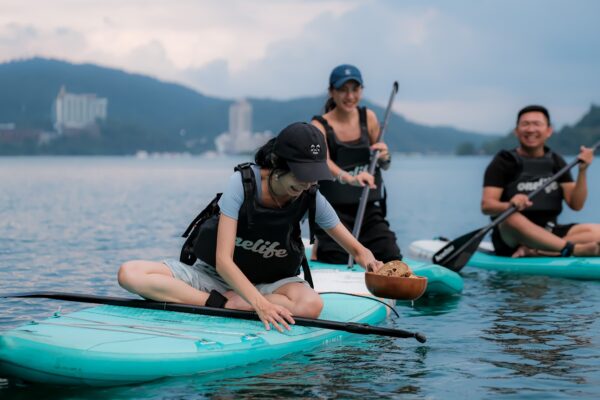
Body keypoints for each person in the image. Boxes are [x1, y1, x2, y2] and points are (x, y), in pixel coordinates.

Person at [118, 122, 384, 333]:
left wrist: (372, 264)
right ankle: (223, 303)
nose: (306, 185)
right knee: (130, 274)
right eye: (302, 176)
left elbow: (357, 250)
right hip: (217, 279)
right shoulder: (243, 184)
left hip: (271, 284)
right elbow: (223, 261)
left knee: (312, 304)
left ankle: (233, 301)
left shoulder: (310, 194)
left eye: (313, 178)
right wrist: (253, 305)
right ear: (280, 164)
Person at [310, 64, 402, 264]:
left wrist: (385, 155)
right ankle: (320, 246)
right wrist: (349, 178)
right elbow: (323, 163)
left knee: (390, 253)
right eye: (343, 89)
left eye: (355, 89)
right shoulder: (318, 125)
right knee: (336, 257)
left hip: (367, 207)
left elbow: (384, 164)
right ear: (331, 92)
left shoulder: (367, 117)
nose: (350, 96)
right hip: (332, 211)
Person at [481, 105, 600, 258]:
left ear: (549, 131)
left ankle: (537, 251)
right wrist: (509, 204)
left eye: (537, 124)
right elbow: (487, 206)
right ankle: (574, 250)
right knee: (509, 217)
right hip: (512, 236)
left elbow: (576, 204)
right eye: (525, 124)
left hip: (549, 230)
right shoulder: (504, 161)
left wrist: (583, 171)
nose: (531, 130)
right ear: (516, 131)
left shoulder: (556, 161)